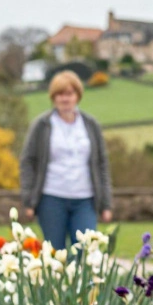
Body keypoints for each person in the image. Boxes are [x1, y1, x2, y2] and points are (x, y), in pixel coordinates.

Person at [19, 71, 113, 250]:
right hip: (51, 198)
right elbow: (28, 162)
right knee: (55, 254)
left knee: (85, 252)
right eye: (60, 94)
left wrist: (106, 204)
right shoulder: (42, 125)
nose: (65, 99)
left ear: (77, 96)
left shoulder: (90, 125)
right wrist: (28, 200)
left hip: (85, 199)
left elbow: (102, 164)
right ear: (53, 98)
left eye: (69, 94)